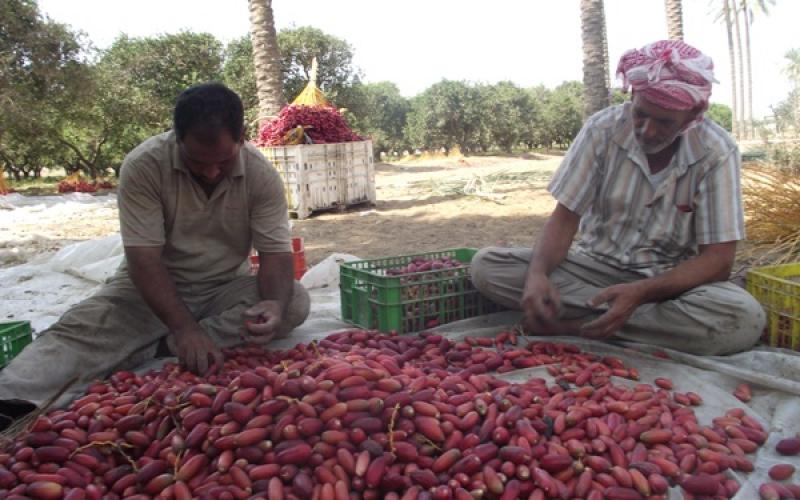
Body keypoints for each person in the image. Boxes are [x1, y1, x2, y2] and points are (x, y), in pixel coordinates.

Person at [0, 82, 310, 421]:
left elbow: (275, 254)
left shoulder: (261, 175)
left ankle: (155, 347)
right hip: (147, 290)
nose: (210, 171)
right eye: (197, 161)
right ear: (177, 137)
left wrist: (275, 305)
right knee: (75, 337)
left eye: (223, 161)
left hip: (223, 288)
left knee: (293, 300)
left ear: (242, 137)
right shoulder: (144, 165)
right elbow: (143, 260)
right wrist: (186, 329)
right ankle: (11, 398)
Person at [471, 40, 765, 356]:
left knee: (742, 317)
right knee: (487, 266)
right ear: (632, 97)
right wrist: (538, 275)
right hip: (592, 267)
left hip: (669, 283)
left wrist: (640, 293)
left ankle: (575, 326)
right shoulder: (602, 129)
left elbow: (718, 261)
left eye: (664, 121)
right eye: (641, 114)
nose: (648, 130)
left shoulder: (717, 152)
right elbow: (565, 217)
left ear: (692, 113)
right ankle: (628, 325)